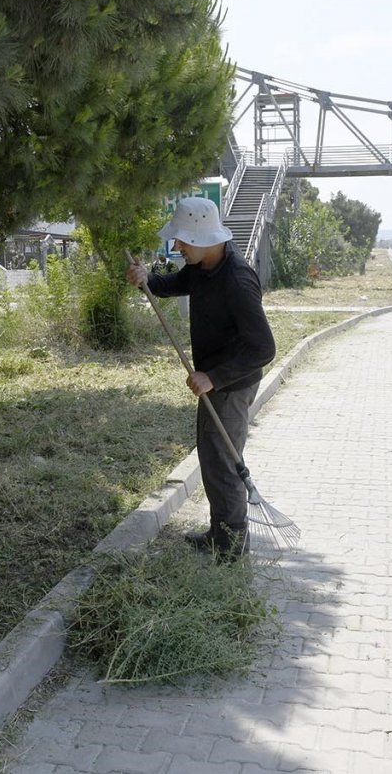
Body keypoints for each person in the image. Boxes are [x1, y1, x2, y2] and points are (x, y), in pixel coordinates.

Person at [126, 197, 276, 563]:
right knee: (213, 458)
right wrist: (148, 281)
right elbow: (177, 282)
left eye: (181, 240)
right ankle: (218, 532)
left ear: (203, 236)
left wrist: (214, 377)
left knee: (223, 463)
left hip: (231, 383)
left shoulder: (237, 280)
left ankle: (232, 548)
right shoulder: (204, 266)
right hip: (215, 380)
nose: (176, 246)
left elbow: (264, 349)